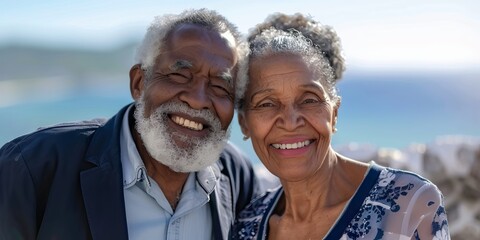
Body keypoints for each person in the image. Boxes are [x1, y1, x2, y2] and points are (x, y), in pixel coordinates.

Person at [0, 9, 264, 240]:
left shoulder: (236, 176)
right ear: (139, 83)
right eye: (180, 75)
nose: (197, 101)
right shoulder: (33, 168)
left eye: (220, 86)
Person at [233, 13, 450, 240]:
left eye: (309, 99)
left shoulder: (409, 203)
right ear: (244, 124)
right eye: (266, 104)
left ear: (334, 113)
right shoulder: (247, 224)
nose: (290, 121)